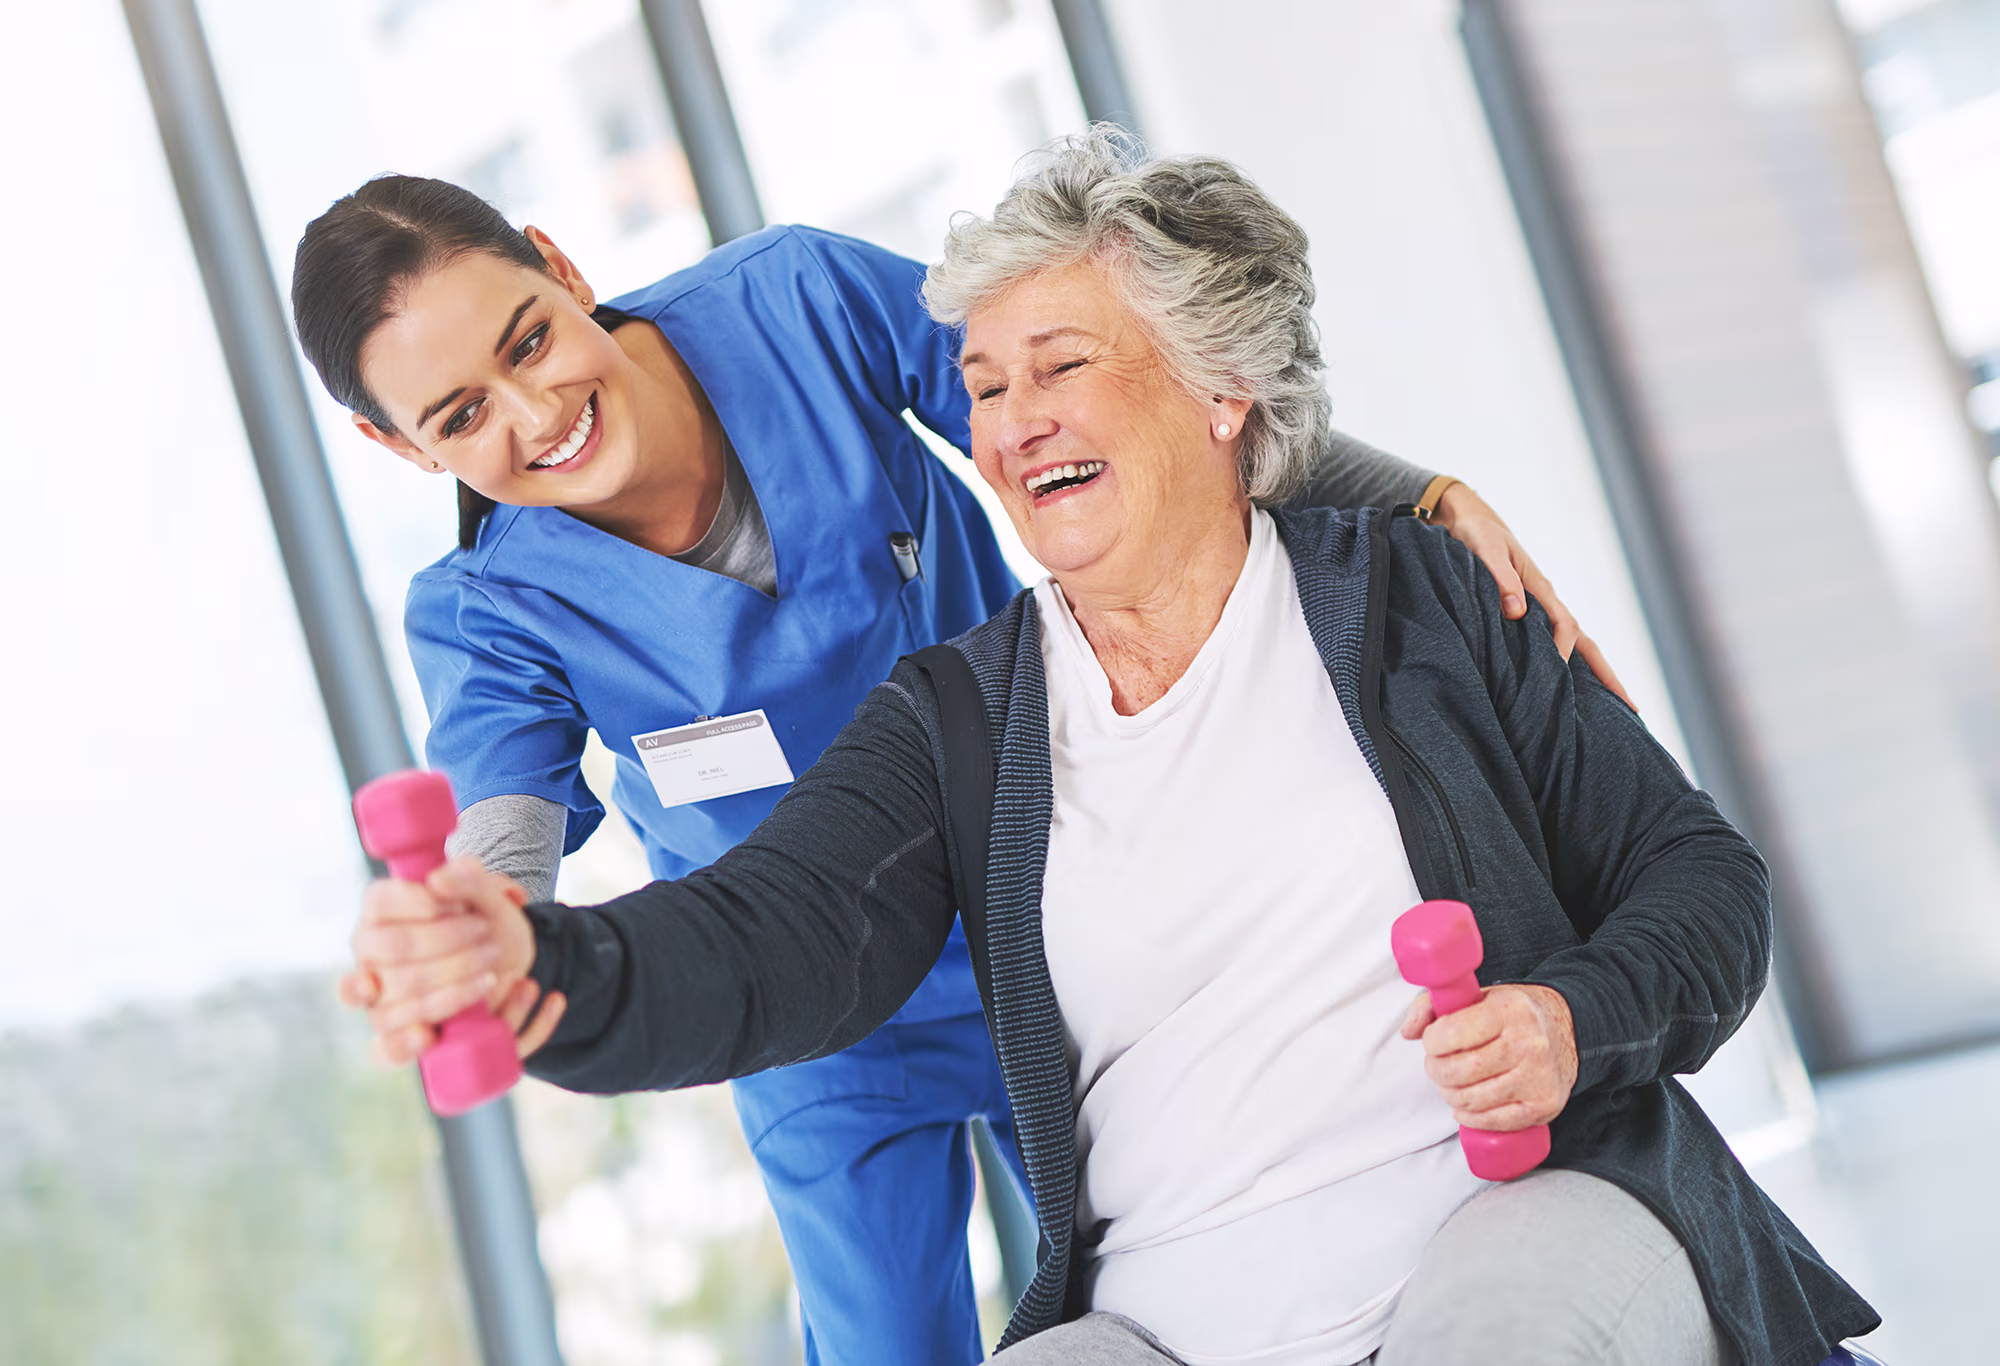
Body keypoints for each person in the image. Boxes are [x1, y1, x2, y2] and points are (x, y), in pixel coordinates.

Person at [345, 135, 1880, 1364]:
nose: (534, 408)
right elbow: (669, 898)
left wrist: (1418, 497)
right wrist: (509, 946)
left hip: (1219, 1079)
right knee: (899, 1328)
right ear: (404, 451)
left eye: (530, 339)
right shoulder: (937, 716)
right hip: (861, 972)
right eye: (462, 414)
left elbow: (1696, 886)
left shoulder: (1408, 605)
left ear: (560, 265)